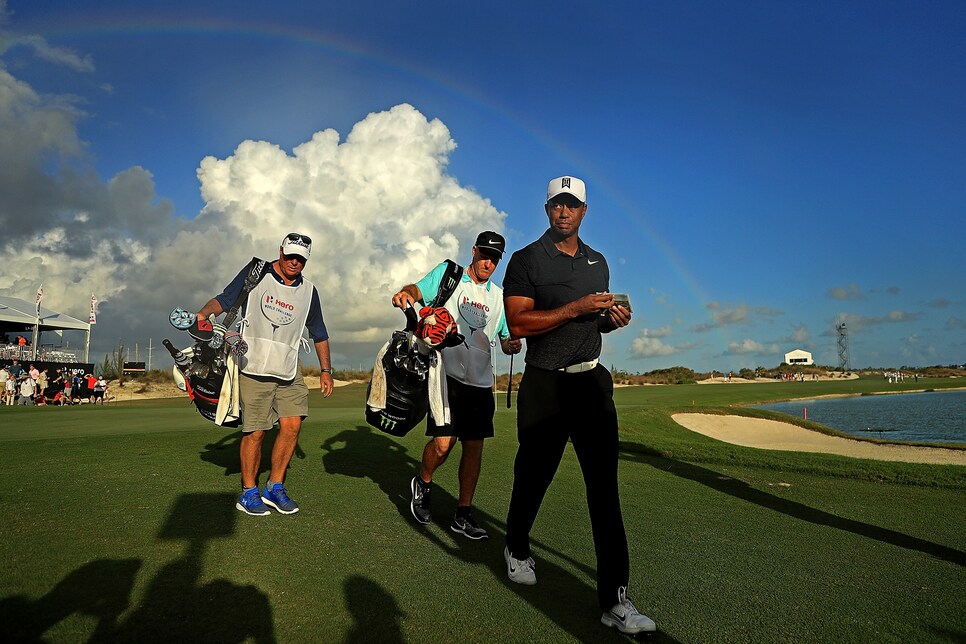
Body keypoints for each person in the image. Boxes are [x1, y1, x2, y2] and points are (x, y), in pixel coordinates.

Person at [500, 176, 655, 635]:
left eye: (572, 205)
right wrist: (573, 308)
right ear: (547, 209)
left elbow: (593, 326)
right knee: (533, 477)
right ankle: (516, 547)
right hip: (545, 385)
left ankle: (615, 600)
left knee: (604, 492)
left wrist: (612, 321)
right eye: (556, 205)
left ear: (584, 211)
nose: (563, 212)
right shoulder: (526, 259)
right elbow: (519, 322)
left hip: (590, 384)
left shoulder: (597, 262)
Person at [391, 232, 522, 539]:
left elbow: (504, 340)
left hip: (481, 382)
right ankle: (423, 483)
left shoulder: (498, 297)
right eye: (484, 254)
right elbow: (417, 290)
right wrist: (405, 294)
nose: (488, 262)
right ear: (474, 251)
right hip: (445, 374)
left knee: (474, 448)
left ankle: (463, 513)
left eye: (494, 258)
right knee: (443, 443)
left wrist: (512, 344)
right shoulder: (449, 275)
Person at [196, 233, 334, 516]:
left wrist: (326, 370)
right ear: (280, 250)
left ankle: (275, 486)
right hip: (252, 364)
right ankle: (248, 493)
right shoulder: (256, 273)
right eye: (290, 255)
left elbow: (318, 331)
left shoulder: (309, 290)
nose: (294, 262)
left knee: (293, 425)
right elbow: (224, 299)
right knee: (256, 432)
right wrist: (203, 313)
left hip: (287, 368)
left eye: (301, 258)